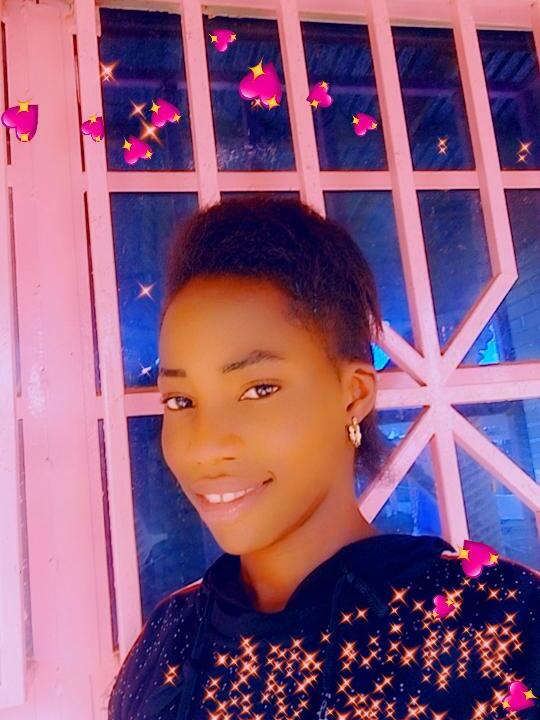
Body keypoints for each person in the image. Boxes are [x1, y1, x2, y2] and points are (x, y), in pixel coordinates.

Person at [108, 196, 540, 720]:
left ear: (353, 395)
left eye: (258, 390)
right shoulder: (169, 643)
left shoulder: (496, 625)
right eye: (180, 401)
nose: (203, 446)